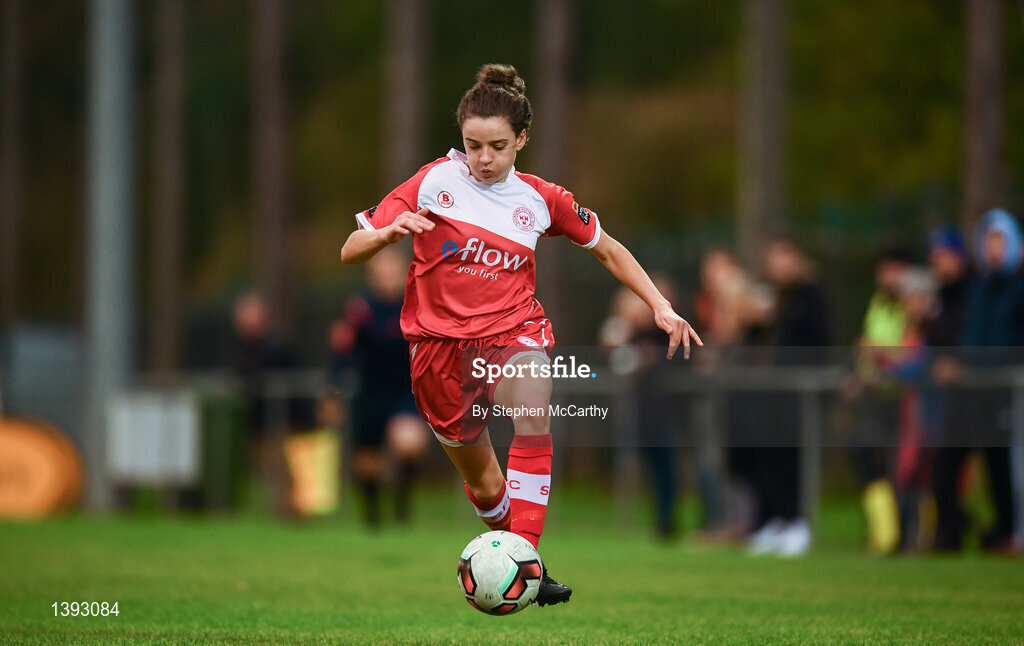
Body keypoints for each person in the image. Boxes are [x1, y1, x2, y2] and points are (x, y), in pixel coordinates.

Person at [340, 64, 702, 606]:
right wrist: (388, 232)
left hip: (512, 332)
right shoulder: (433, 182)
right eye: (474, 145)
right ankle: (517, 551)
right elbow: (351, 247)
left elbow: (608, 248)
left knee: (534, 401)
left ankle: (525, 556)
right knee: (487, 486)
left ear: (522, 140)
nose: (484, 158)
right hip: (437, 355)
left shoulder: (541, 199)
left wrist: (659, 305)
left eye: (498, 146)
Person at [936, 209, 1022, 554]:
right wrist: (960, 363)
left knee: (1002, 465)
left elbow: (1009, 345)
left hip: (1005, 389)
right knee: (949, 462)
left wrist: (973, 366)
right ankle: (954, 531)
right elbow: (972, 336)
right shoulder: (982, 287)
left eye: (999, 240)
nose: (992, 249)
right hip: (973, 388)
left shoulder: (1017, 287)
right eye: (987, 241)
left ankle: (1006, 532)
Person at [329, 246, 430, 527]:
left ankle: (402, 503)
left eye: (393, 271)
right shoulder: (360, 309)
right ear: (372, 275)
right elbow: (341, 350)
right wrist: (332, 392)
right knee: (368, 465)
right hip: (370, 391)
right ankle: (372, 516)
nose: (388, 277)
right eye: (381, 271)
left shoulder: (418, 305)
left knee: (409, 444)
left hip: (405, 390)